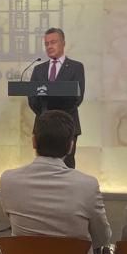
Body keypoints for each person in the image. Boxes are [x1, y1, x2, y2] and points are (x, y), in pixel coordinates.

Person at [0, 109, 111, 254]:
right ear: (71, 146)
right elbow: (102, 237)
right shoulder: (87, 185)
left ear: (33, 141)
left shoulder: (8, 181)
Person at [26, 28, 86, 168]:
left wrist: (57, 116)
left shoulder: (76, 67)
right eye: (46, 44)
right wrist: (45, 116)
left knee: (66, 165)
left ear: (63, 43)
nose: (49, 46)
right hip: (43, 126)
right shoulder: (38, 69)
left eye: (53, 42)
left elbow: (77, 97)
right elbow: (32, 99)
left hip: (67, 125)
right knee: (44, 166)